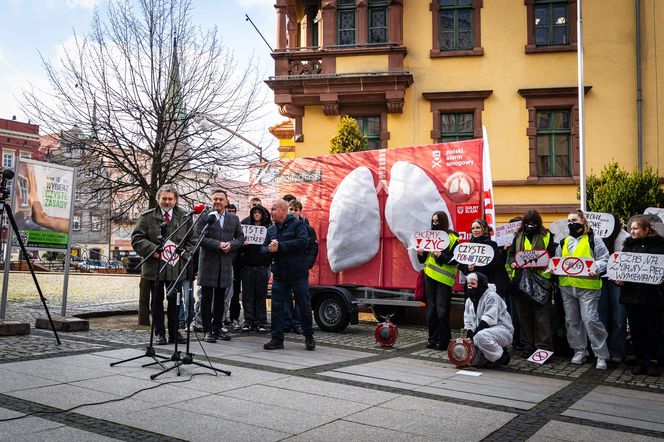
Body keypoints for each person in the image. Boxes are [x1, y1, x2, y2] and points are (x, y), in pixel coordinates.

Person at [131, 184, 195, 345]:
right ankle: (159, 333)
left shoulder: (185, 217)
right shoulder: (147, 217)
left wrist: (183, 254)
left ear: (175, 200)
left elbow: (193, 240)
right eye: (164, 198)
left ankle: (174, 333)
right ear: (158, 199)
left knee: (175, 301)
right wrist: (153, 250)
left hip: (176, 267)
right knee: (156, 301)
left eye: (170, 199)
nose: (167, 202)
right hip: (155, 266)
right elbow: (137, 238)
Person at [556, 209, 610, 369]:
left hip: (588, 287)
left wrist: (597, 267)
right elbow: (558, 260)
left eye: (573, 220)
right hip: (567, 286)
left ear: (583, 221)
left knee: (591, 320)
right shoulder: (564, 241)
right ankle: (579, 351)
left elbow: (604, 258)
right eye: (568, 220)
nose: (570, 223)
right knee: (572, 321)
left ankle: (601, 355)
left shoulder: (594, 239)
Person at [262, 199, 315, 351]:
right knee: (277, 307)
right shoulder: (271, 230)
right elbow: (263, 249)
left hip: (298, 274)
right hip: (279, 274)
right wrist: (269, 250)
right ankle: (277, 339)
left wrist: (280, 246)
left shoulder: (298, 225)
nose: (270, 212)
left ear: (283, 211)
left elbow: (303, 242)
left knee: (304, 305)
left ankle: (309, 336)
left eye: (273, 209)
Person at [617, 216, 664, 377]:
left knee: (653, 329)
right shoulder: (628, 246)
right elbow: (621, 268)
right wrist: (619, 279)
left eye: (636, 228)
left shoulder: (660, 246)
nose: (632, 231)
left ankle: (654, 361)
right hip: (632, 296)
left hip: (652, 297)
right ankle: (639, 360)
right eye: (631, 229)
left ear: (647, 230)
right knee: (636, 330)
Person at [196, 189, 244, 343]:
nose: (217, 201)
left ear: (226, 201)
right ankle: (207, 330)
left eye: (220, 199)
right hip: (208, 263)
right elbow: (199, 238)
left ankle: (217, 328)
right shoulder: (205, 217)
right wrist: (218, 244)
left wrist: (231, 244)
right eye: (215, 199)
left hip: (225, 263)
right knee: (206, 298)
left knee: (220, 299)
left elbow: (240, 238)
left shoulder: (234, 219)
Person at [508, 209, 556, 357]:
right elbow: (511, 255)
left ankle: (544, 348)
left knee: (541, 317)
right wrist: (512, 264)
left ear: (538, 223)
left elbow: (552, 256)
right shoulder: (518, 236)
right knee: (524, 316)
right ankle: (527, 345)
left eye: (533, 224)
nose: (530, 226)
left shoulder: (547, 236)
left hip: (540, 282)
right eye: (527, 223)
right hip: (521, 281)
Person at [417, 211, 459, 350]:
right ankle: (432, 339)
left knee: (442, 311)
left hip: (444, 279)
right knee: (432, 311)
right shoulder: (429, 236)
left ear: (443, 222)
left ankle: (444, 340)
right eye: (433, 221)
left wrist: (441, 255)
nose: (435, 223)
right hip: (429, 276)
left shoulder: (453, 238)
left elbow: (454, 260)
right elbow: (423, 260)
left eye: (437, 221)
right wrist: (420, 254)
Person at [283, 199, 319, 333]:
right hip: (285, 269)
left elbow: (313, 247)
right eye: (290, 209)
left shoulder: (308, 229)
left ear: (300, 212)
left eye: (295, 210)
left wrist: (308, 263)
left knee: (301, 298)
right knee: (286, 297)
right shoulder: (282, 227)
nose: (292, 212)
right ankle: (287, 323)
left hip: (300, 269)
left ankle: (298, 324)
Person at [463, 272, 513, 367]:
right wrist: (469, 336)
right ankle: (487, 356)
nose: (470, 287)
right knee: (472, 361)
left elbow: (488, 319)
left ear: (481, 284)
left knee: (480, 337)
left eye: (473, 284)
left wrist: (473, 336)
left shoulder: (492, 297)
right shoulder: (470, 301)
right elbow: (468, 321)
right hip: (481, 331)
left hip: (502, 329)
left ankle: (501, 357)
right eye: (469, 284)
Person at [598, 215, 628, 363]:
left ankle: (617, 350)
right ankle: (602, 350)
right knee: (601, 317)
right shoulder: (596, 237)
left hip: (617, 282)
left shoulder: (625, 237)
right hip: (600, 280)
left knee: (619, 318)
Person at [239, 203, 272, 332]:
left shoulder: (268, 229)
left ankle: (260, 321)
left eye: (259, 212)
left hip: (262, 266)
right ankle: (248, 321)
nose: (257, 214)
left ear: (263, 214)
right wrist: (243, 245)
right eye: (254, 212)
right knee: (247, 295)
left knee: (261, 295)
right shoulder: (245, 227)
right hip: (247, 266)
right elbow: (238, 245)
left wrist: (266, 262)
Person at [458, 218, 511, 298]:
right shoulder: (468, 246)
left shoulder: (492, 245)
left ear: (485, 229)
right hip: (473, 284)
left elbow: (496, 264)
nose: (475, 230)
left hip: (489, 283)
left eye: (478, 227)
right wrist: (468, 268)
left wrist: (475, 267)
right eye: (473, 228)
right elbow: (461, 265)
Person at [223, 203, 243, 331]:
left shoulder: (238, 225)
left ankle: (234, 318)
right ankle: (221, 319)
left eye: (233, 211)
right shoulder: (222, 224)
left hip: (236, 264)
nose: (231, 212)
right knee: (222, 294)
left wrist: (236, 244)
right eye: (229, 210)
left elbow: (240, 239)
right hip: (224, 262)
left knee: (235, 293)